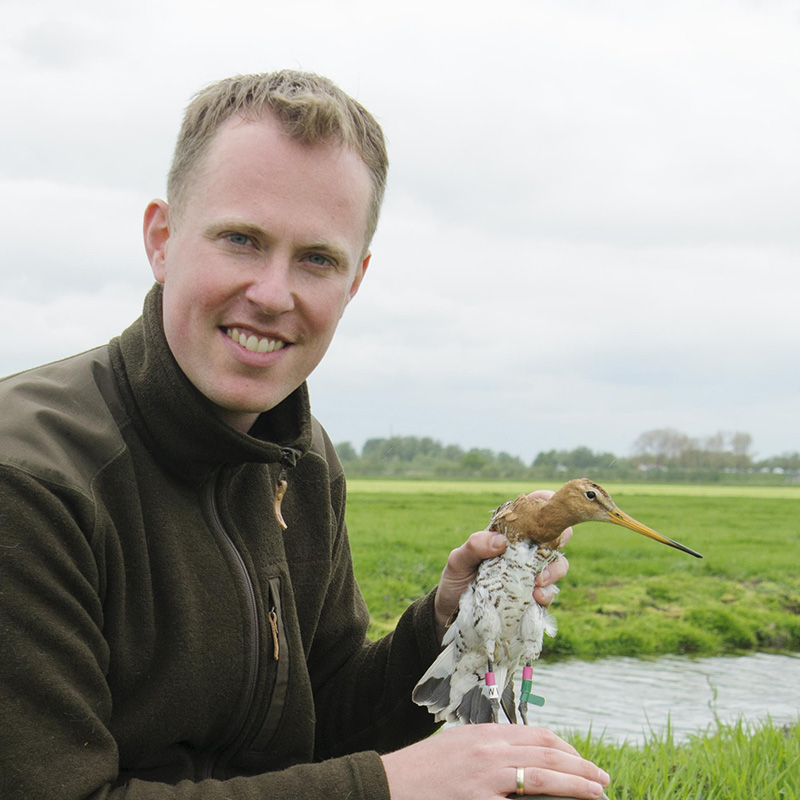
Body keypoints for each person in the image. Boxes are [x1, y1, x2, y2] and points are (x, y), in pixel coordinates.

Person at [0, 71, 610, 799]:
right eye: (241, 240)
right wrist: (384, 788)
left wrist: (444, 621)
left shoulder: (301, 455)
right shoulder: (29, 479)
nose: (272, 294)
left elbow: (321, 726)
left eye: (317, 259)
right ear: (162, 241)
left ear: (355, 282)